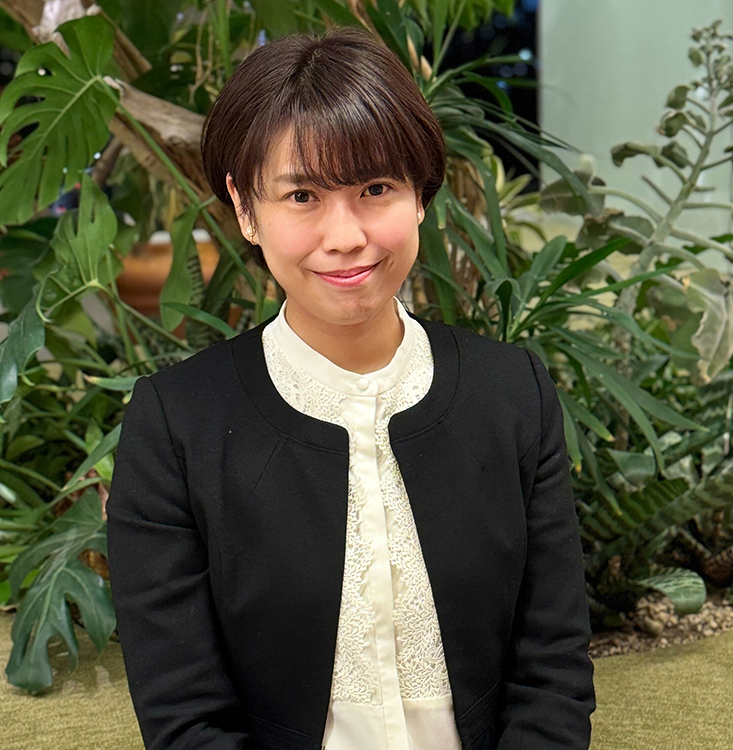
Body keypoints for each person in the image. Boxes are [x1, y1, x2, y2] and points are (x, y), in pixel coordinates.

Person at [104, 25, 595, 750]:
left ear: (421, 194)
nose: (346, 235)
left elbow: (552, 670)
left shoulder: (511, 394)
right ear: (245, 208)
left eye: (375, 188)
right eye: (302, 195)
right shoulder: (177, 425)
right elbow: (185, 718)